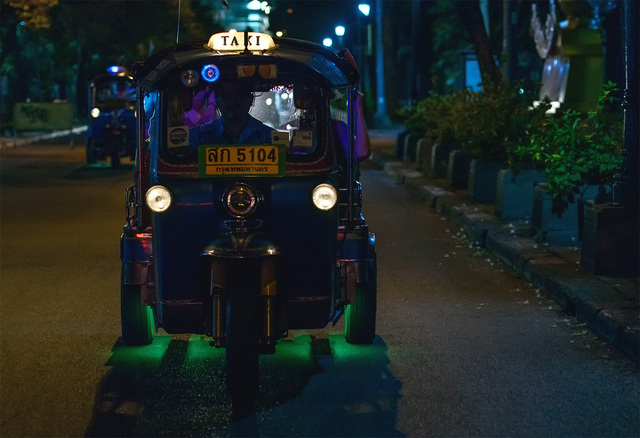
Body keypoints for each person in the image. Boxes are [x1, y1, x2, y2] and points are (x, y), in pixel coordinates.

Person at [189, 85, 272, 146]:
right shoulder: (198, 137)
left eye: (239, 96)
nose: (233, 102)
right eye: (227, 97)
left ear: (251, 100)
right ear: (217, 101)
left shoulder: (269, 137)